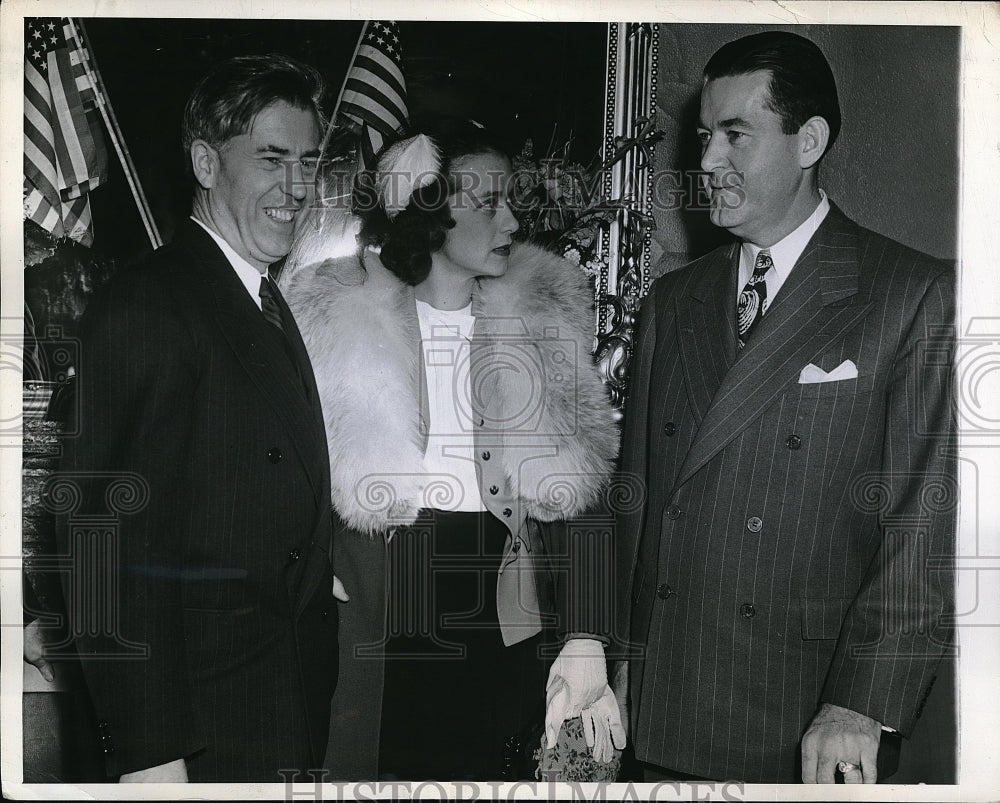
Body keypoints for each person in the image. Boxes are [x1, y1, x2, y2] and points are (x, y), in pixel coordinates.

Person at [614, 31, 955, 784]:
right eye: (706, 136)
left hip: (806, 720)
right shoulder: (674, 300)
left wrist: (860, 703)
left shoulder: (911, 293)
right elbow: (634, 501)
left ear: (810, 141)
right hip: (661, 705)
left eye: (736, 135)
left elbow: (924, 521)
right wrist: (612, 656)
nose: (706, 161)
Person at [281, 120, 625, 780]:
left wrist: (587, 634)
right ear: (429, 211)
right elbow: (292, 473)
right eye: (487, 202)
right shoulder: (337, 318)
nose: (509, 222)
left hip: (506, 607)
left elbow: (585, 495)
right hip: (383, 597)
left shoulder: (539, 322)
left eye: (510, 202)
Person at [53, 54, 340, 782]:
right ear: (206, 163)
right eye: (271, 159)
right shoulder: (150, 302)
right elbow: (98, 539)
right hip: (193, 738)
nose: (297, 187)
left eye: (308, 161)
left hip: (274, 714)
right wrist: (151, 753)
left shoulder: (261, 300)